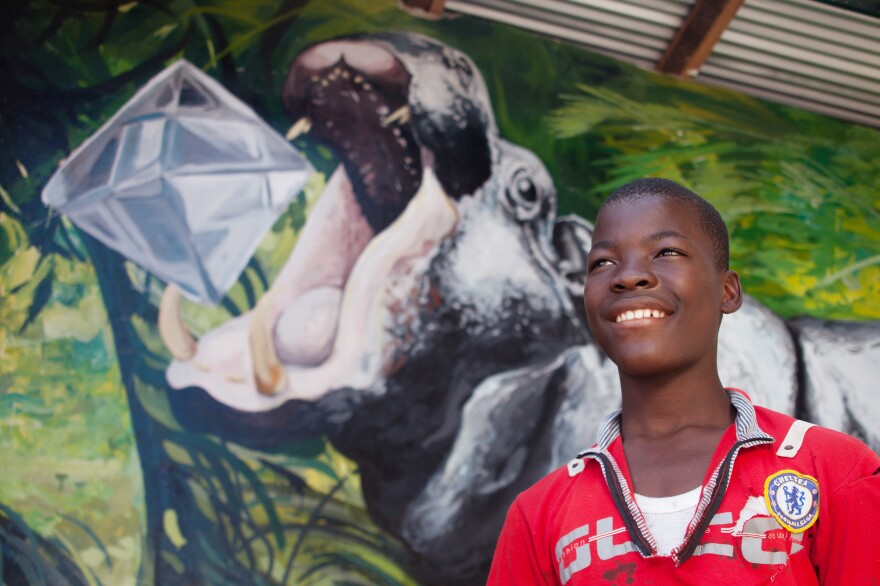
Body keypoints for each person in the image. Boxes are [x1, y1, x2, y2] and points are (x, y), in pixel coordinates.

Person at [487, 178, 880, 584]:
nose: (630, 276)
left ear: (728, 291)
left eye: (667, 252)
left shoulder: (832, 472)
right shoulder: (539, 515)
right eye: (603, 262)